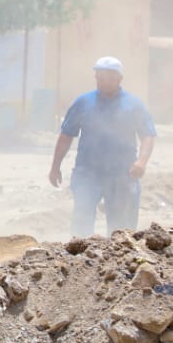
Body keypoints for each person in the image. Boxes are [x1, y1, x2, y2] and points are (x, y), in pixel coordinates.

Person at [48, 55, 157, 238]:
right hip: (87, 173)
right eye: (100, 78)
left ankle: (120, 259)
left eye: (109, 78)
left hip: (122, 174)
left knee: (122, 229)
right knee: (82, 220)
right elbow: (66, 136)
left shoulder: (133, 105)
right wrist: (55, 167)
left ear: (119, 79)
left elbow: (148, 135)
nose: (104, 82)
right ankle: (80, 258)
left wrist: (141, 162)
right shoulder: (83, 103)